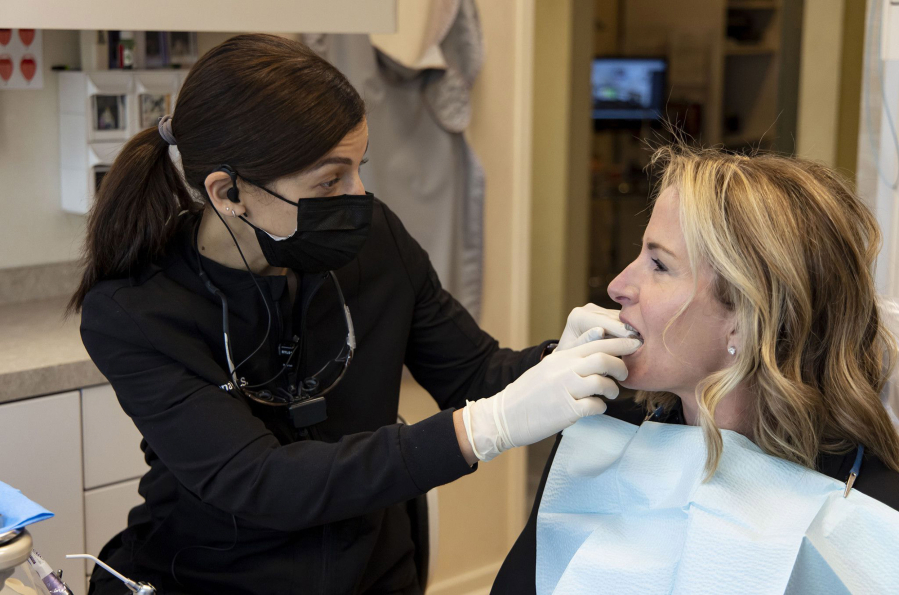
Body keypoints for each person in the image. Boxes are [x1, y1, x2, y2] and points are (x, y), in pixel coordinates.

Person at [69, 34, 641, 595]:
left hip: (373, 570)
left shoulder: (374, 242)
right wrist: (483, 428)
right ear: (227, 193)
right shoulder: (136, 312)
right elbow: (263, 482)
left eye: (358, 167)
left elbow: (474, 375)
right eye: (329, 181)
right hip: (215, 576)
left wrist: (563, 361)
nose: (358, 196)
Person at [492, 144, 899, 594]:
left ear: (747, 322)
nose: (618, 285)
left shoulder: (872, 513)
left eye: (659, 264)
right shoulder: (604, 439)